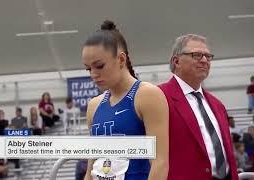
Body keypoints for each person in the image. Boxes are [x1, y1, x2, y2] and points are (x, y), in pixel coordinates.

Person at [82, 20, 169, 180]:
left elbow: (160, 163)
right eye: (88, 68)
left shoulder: (147, 95)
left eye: (99, 66)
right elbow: (91, 168)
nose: (93, 74)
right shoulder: (94, 106)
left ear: (121, 60)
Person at [159, 34, 238, 179]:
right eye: (197, 55)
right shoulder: (158, 97)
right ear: (176, 61)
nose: (204, 60)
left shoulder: (217, 105)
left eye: (208, 57)